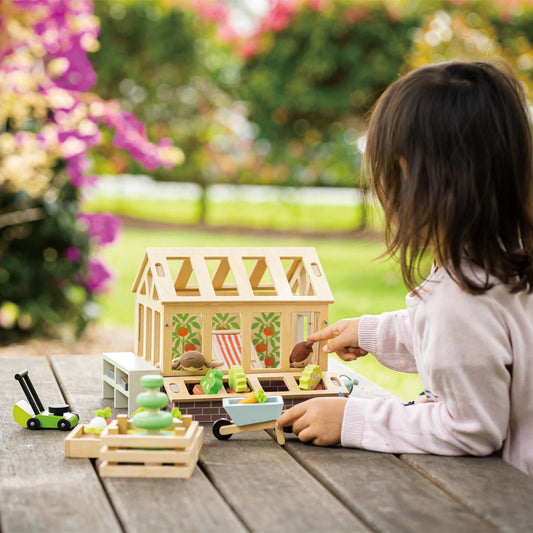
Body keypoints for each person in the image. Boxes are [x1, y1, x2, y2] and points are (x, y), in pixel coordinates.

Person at [276, 61, 533, 476]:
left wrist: (353, 420)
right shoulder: (505, 259)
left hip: (508, 496)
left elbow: (469, 430)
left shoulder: (460, 300)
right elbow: (473, 347)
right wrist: (373, 333)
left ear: (409, 175)